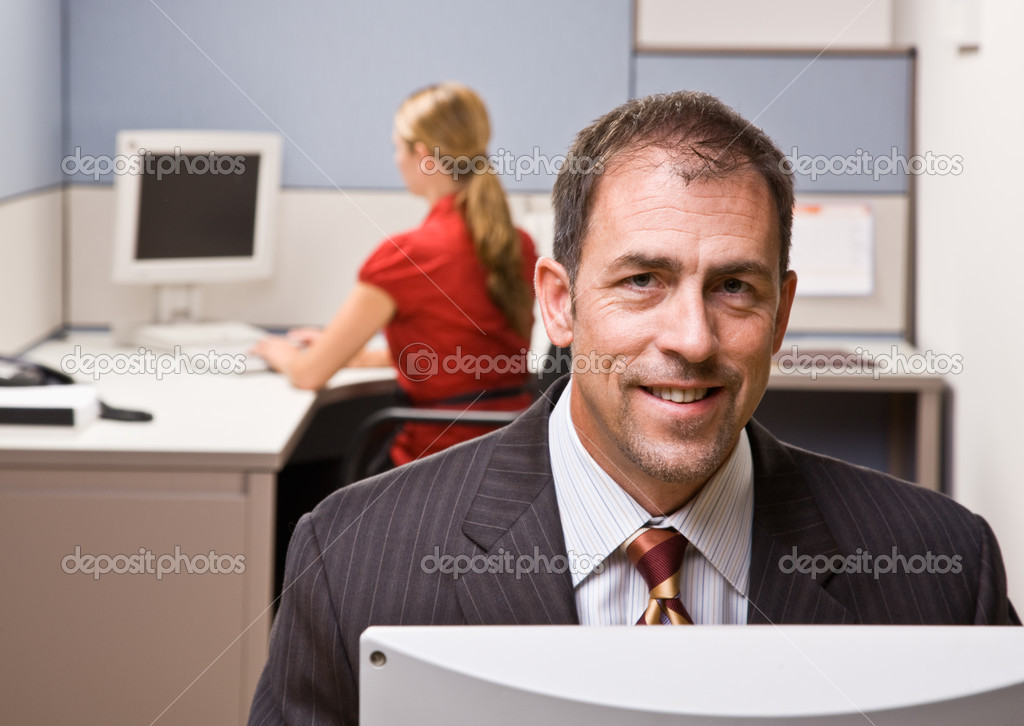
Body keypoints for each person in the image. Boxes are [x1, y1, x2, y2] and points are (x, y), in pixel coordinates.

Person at [248, 91, 1018, 725]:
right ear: (560, 304)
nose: (691, 338)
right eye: (642, 279)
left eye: (734, 287)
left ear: (780, 316)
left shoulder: (949, 571)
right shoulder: (350, 560)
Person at [254, 82, 538, 467]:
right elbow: (462, 353)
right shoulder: (517, 244)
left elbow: (308, 375)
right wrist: (350, 353)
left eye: (397, 147)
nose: (395, 159)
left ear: (422, 155)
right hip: (513, 458)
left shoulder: (408, 255)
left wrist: (284, 354)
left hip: (434, 463)